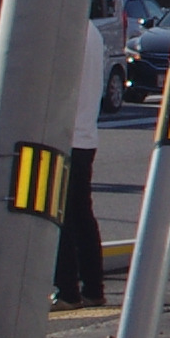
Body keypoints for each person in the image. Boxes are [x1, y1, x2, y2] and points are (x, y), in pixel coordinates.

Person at [55, 33, 108, 308]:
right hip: (85, 134)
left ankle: (67, 290)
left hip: (62, 136)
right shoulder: (93, 34)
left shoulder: (67, 32)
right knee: (81, 214)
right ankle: (93, 288)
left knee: (60, 215)